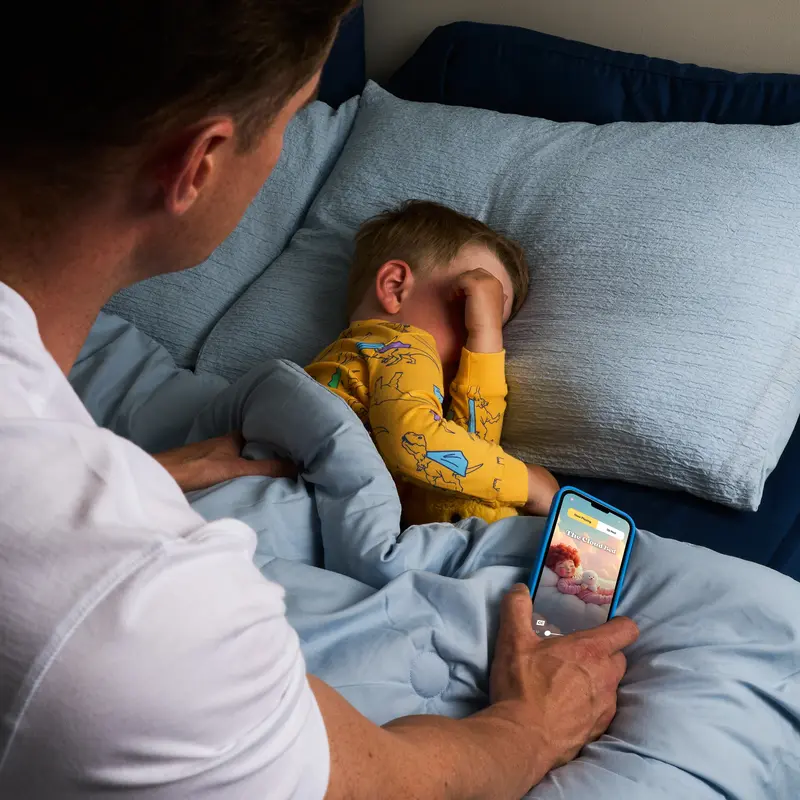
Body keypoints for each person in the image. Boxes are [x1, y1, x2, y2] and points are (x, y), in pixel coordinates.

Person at [0, 3, 639, 799]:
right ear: (200, 162)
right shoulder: (394, 348)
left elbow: (457, 443)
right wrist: (529, 727)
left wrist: (481, 340)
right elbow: (421, 449)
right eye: (292, 122)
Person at [307, 201, 560, 526]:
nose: (473, 340)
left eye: (494, 327)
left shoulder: (368, 371)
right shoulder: (398, 344)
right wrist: (528, 484)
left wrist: (484, 342)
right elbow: (416, 444)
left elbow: (466, 470)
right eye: (469, 308)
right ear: (395, 287)